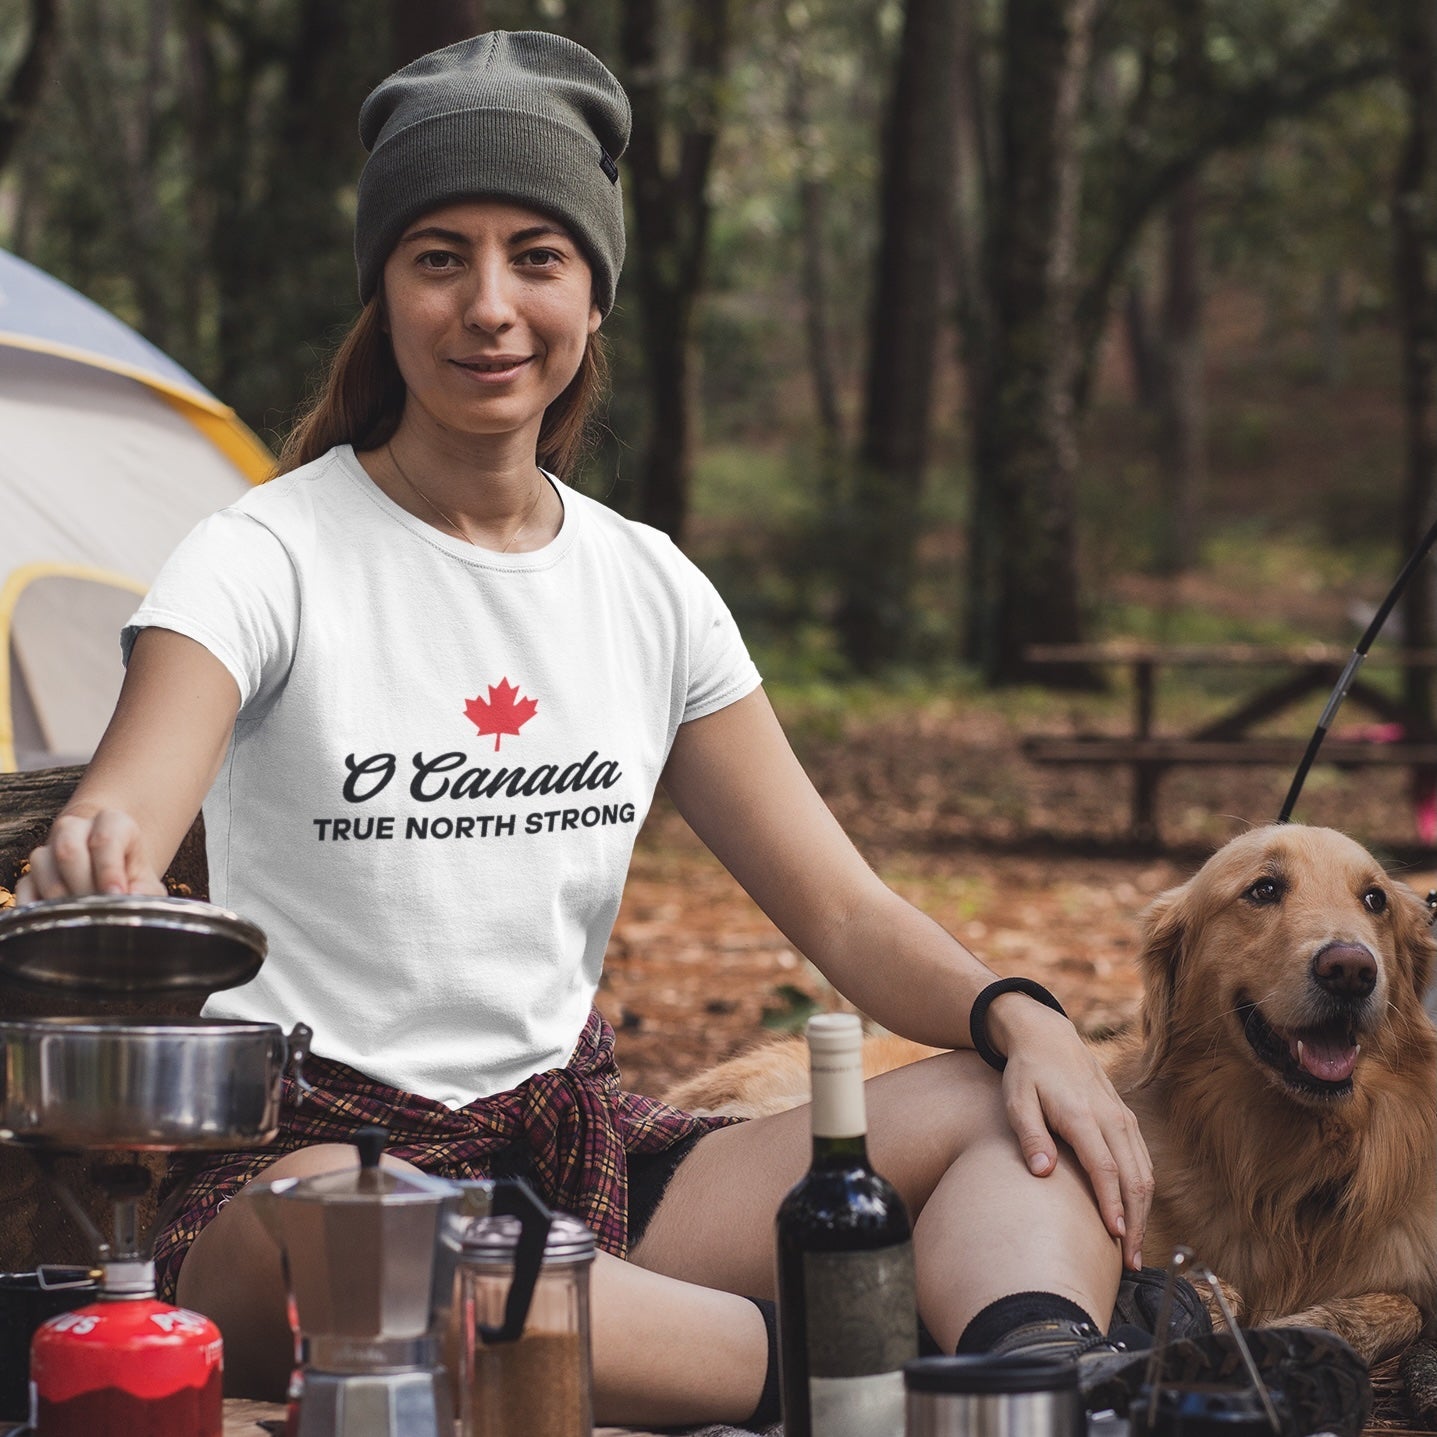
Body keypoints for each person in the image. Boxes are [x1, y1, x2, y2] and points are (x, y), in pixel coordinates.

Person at [17, 30, 1163, 1427]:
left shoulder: (646, 585)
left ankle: (1041, 1378)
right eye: (438, 255)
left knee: (1003, 1110)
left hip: (577, 1163)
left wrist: (1021, 1017)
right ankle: (865, 1383)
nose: (487, 305)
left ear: (593, 294)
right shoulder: (263, 555)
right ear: (383, 288)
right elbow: (131, 798)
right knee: (389, 1247)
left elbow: (847, 916)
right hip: (304, 1182)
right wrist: (100, 857)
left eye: (535, 256)